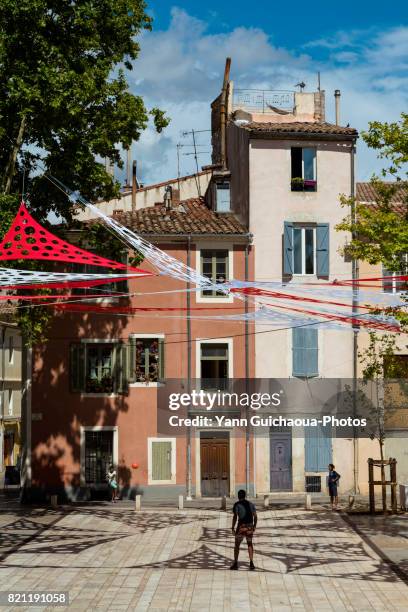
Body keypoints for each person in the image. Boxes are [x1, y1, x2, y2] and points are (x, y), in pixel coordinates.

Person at [230, 489, 257, 570]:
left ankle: (235, 563)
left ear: (238, 496)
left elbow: (235, 517)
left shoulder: (237, 505)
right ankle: (251, 563)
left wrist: (232, 527)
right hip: (250, 527)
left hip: (241, 527)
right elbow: (255, 516)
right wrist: (254, 526)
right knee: (249, 543)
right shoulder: (251, 504)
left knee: (237, 545)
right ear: (244, 496)